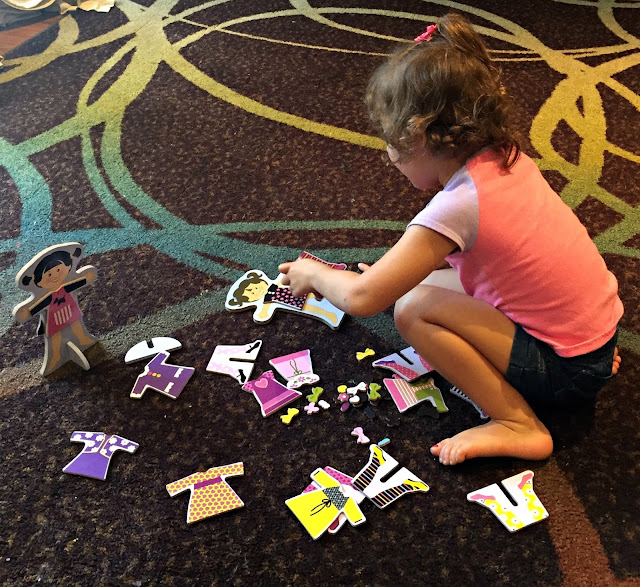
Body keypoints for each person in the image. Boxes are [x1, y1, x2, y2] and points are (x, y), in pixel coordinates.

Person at [278, 13, 623, 466]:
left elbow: (363, 298)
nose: (388, 154)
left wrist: (314, 273)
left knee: (412, 307)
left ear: (417, 135)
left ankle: (517, 423)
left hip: (564, 370)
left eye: (389, 140)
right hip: (594, 342)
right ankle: (584, 359)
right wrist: (390, 275)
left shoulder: (456, 207)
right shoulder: (507, 158)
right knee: (416, 285)